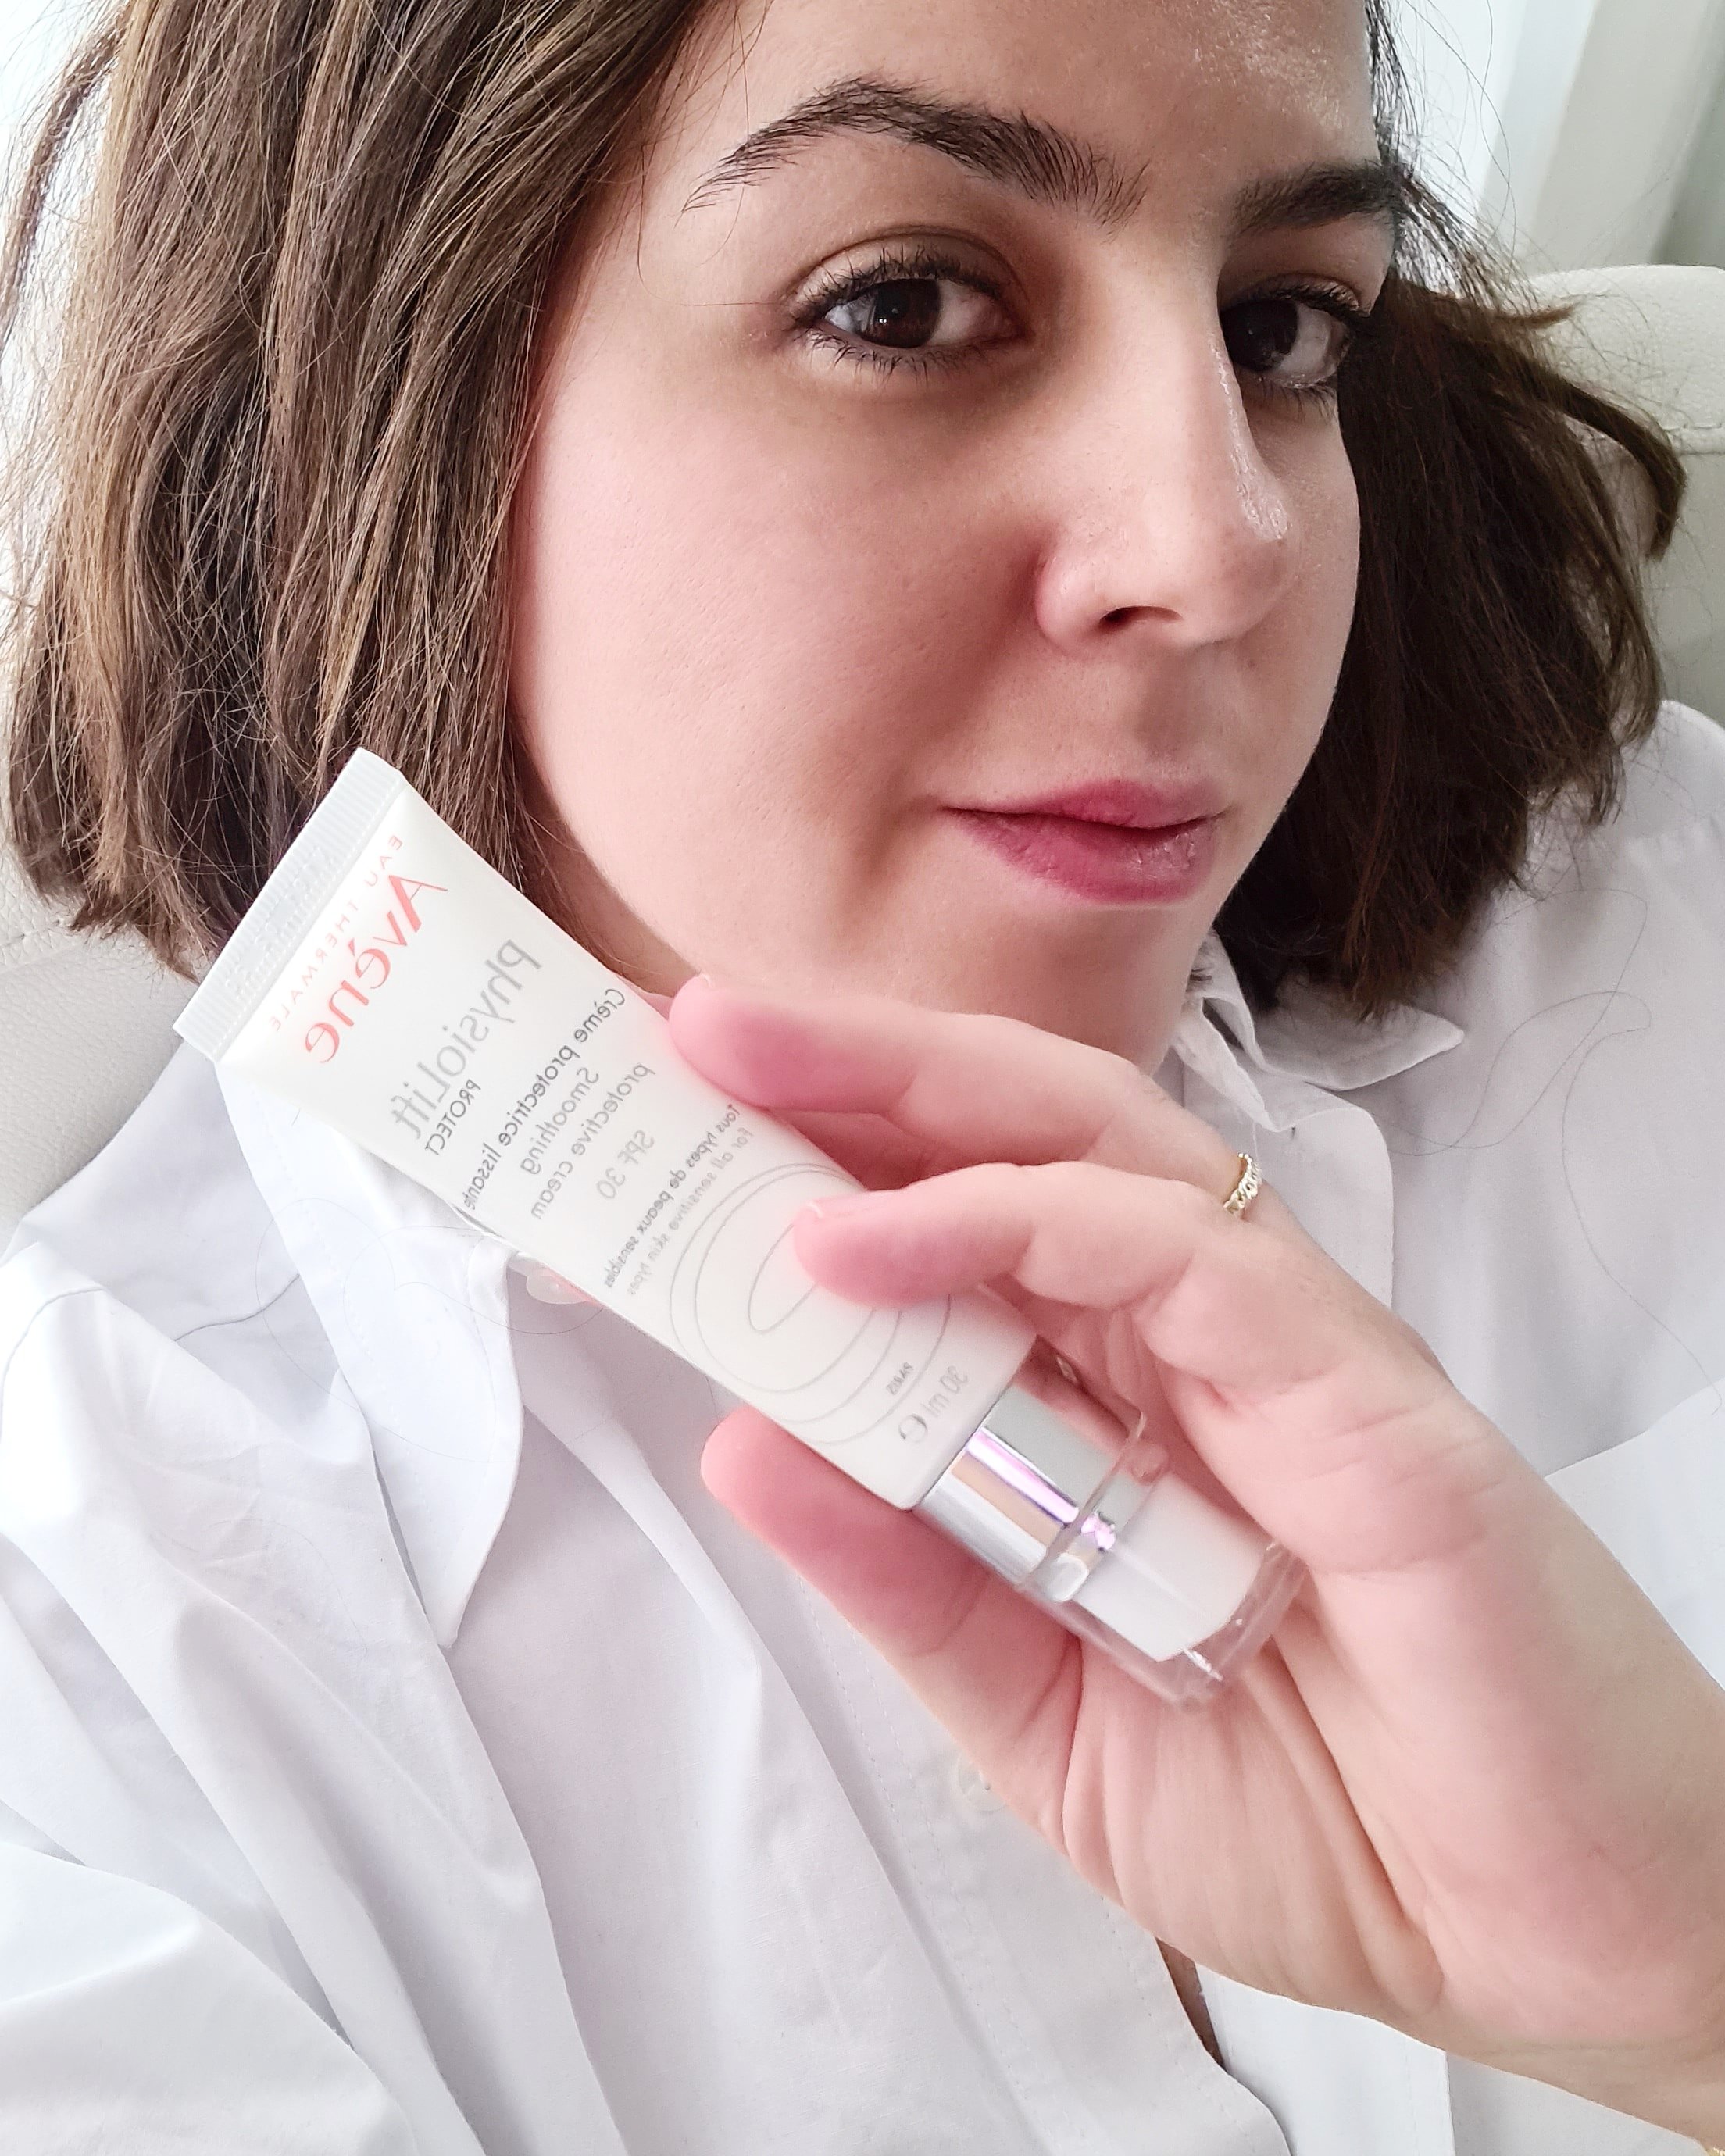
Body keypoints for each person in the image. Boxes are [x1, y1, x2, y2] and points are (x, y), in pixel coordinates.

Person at [1, 0, 1722, 2148]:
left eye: (1282, 330)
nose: (1218, 554)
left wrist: (1688, 1991)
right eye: (902, 306)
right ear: (376, 395)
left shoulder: (1654, 940)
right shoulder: (83, 1667)